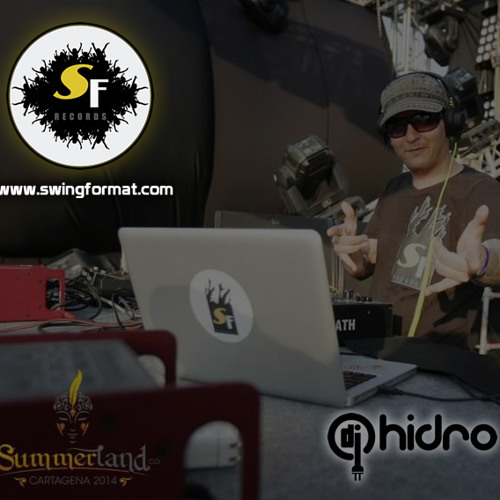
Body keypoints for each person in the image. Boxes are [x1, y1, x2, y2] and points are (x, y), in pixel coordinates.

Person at [328, 72, 500, 347]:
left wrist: (482, 260)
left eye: (423, 120)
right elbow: (368, 262)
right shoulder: (393, 187)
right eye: (397, 127)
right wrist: (355, 254)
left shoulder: (480, 188)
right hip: (377, 351)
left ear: (449, 123)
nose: (410, 136)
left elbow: (496, 253)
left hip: (436, 361)